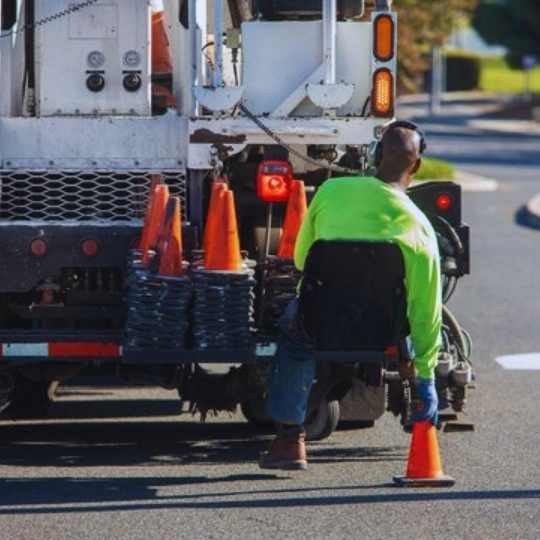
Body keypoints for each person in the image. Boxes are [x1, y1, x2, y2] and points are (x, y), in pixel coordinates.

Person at [259, 121, 442, 471]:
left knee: (293, 340)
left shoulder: (331, 191)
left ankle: (288, 441)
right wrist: (426, 377)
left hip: (318, 320)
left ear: (375, 154)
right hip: (383, 331)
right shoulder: (419, 228)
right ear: (416, 166)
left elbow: (301, 260)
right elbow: (425, 311)